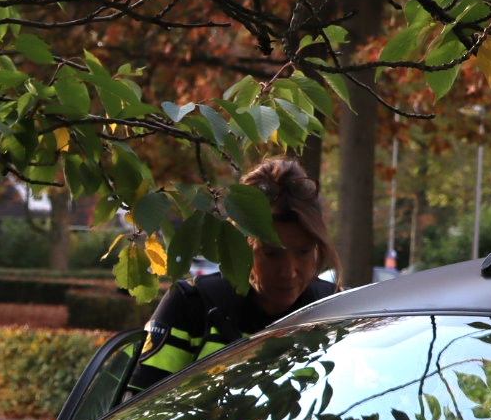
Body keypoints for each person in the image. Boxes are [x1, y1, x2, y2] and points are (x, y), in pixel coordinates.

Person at [129, 157, 341, 391]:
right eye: (272, 254)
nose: (288, 272)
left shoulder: (338, 312)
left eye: (303, 252)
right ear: (242, 245)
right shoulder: (190, 306)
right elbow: (136, 411)